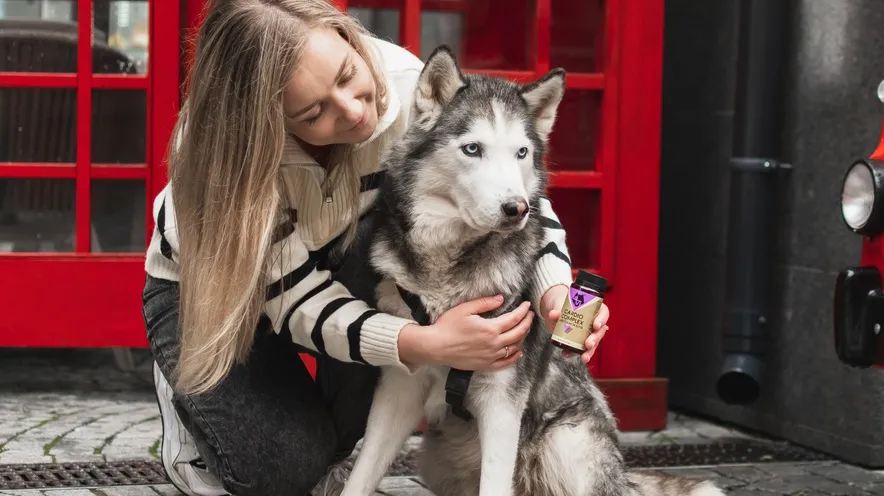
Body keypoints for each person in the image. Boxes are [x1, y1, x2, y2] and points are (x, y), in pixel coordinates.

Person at [141, 1, 611, 495]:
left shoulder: (413, 87)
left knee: (327, 449)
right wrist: (422, 343)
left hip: (335, 258)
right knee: (275, 472)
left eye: (347, 74)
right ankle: (189, 404)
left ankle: (326, 437)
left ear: (345, 35)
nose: (355, 109)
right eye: (314, 111)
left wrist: (560, 297)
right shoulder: (229, 156)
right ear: (270, 121)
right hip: (220, 293)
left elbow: (516, 201)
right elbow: (298, 301)